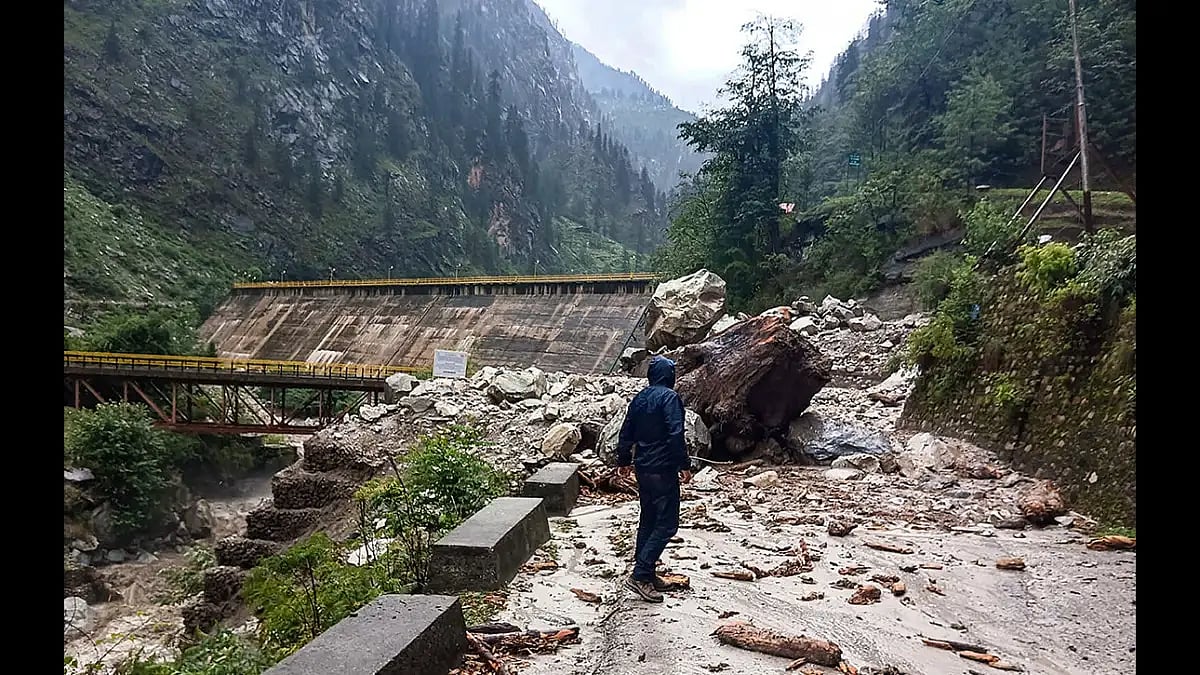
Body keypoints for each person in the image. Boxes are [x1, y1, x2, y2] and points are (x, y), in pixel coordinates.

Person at [615, 355, 693, 602]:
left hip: (643, 466)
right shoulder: (670, 398)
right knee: (668, 523)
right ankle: (641, 574)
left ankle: (646, 573)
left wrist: (623, 460)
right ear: (669, 376)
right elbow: (675, 432)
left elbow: (626, 431)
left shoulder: (639, 398)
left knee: (648, 519)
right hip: (663, 467)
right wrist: (684, 464)